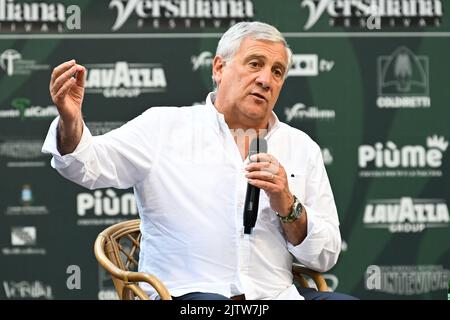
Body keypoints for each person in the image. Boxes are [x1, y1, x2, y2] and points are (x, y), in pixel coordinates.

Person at [42, 21, 356, 300]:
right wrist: (70, 121)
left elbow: (325, 255)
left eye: (277, 71)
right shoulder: (163, 127)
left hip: (275, 294)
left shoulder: (301, 147)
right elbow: (85, 166)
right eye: (255, 64)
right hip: (184, 293)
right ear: (219, 68)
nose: (265, 79)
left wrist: (289, 206)